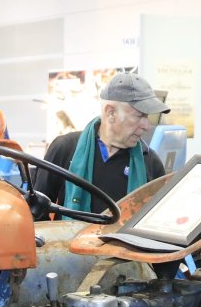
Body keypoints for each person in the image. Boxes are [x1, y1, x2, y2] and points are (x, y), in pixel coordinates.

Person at [34, 71, 168, 212]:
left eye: (147, 117)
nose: (146, 126)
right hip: (68, 228)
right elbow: (36, 213)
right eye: (139, 116)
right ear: (111, 113)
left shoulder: (150, 163)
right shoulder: (65, 148)